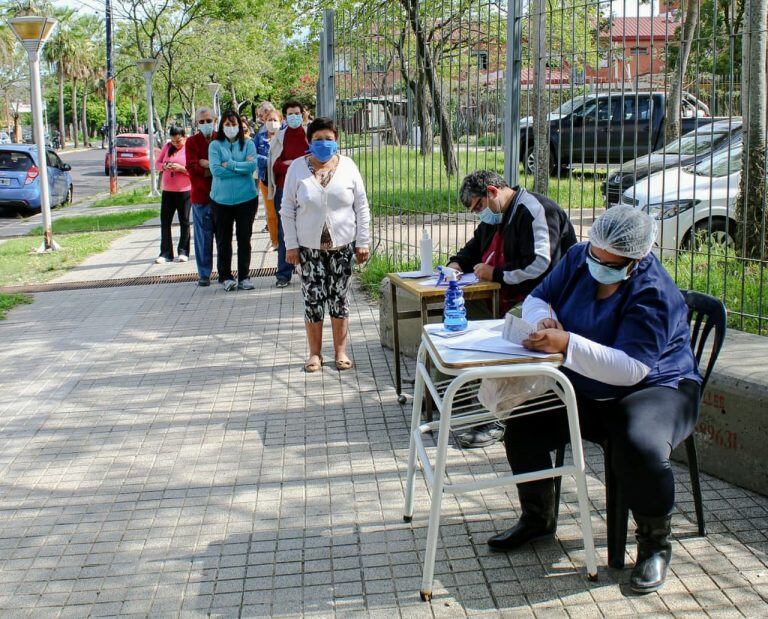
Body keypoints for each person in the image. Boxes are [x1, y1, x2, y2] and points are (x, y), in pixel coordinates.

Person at [492, 206, 701, 594]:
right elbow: (539, 296)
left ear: (636, 260)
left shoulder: (653, 292)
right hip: (589, 384)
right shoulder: (580, 258)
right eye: (595, 255)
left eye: (610, 263)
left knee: (639, 445)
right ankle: (537, 518)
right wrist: (543, 322)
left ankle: (655, 545)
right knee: (522, 424)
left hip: (656, 388)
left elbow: (632, 368)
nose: (598, 265)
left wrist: (568, 343)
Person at [446, 170, 577, 449]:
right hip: (510, 293)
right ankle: (451, 391)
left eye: (479, 206)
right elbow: (474, 247)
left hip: (545, 299)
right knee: (458, 312)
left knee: (504, 334)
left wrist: (496, 274)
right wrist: (456, 264)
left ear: (492, 192)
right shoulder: (495, 216)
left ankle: (496, 418)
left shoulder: (537, 210)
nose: (480, 214)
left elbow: (541, 263)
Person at [281, 117, 370, 372]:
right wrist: (291, 245)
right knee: (313, 299)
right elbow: (287, 209)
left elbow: (361, 207)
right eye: (318, 139)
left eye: (328, 139)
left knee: (339, 299)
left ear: (337, 141)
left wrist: (363, 242)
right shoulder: (297, 168)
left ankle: (341, 352)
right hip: (309, 248)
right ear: (309, 141)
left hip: (342, 246)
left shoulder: (349, 167)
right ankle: (314, 354)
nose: (323, 144)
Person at [208, 109, 259, 291]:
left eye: (234, 124)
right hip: (221, 201)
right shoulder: (215, 145)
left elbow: (252, 166)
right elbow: (216, 170)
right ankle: (225, 276)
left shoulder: (249, 144)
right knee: (223, 239)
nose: (231, 128)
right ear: (222, 126)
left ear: (240, 125)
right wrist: (240, 167)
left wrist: (230, 164)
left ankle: (244, 276)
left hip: (246, 198)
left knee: (244, 238)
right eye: (227, 124)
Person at [268, 99, 309, 288]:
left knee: (308, 228)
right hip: (284, 189)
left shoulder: (310, 134)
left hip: (308, 188)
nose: (294, 117)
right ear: (284, 117)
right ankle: (283, 274)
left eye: (297, 113)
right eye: (290, 114)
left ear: (303, 114)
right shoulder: (279, 137)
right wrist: (288, 165)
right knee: (285, 231)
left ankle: (308, 270)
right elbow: (273, 165)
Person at [185, 107, 217, 286]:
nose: (205, 124)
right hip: (201, 197)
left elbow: (225, 164)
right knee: (203, 238)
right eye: (202, 121)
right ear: (197, 123)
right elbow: (192, 168)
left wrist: (207, 164)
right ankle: (204, 274)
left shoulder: (221, 138)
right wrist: (213, 169)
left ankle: (224, 273)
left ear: (215, 119)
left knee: (222, 237)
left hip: (222, 196)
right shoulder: (191, 142)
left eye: (209, 120)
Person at [155, 125, 192, 264]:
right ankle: (165, 253)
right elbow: (158, 163)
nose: (176, 144)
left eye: (179, 141)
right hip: (168, 191)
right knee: (165, 222)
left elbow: (194, 169)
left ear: (184, 137)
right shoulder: (167, 147)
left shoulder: (189, 147)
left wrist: (182, 169)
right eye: (173, 141)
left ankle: (183, 251)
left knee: (185, 221)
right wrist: (164, 166)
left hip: (185, 191)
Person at [255, 108, 282, 251]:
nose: (272, 122)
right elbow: (253, 154)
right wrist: (269, 160)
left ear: (280, 121)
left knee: (284, 212)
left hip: (282, 179)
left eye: (274, 120)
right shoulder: (259, 137)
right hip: (266, 179)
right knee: (271, 213)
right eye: (269, 120)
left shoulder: (284, 136)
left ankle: (287, 241)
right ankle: (274, 241)